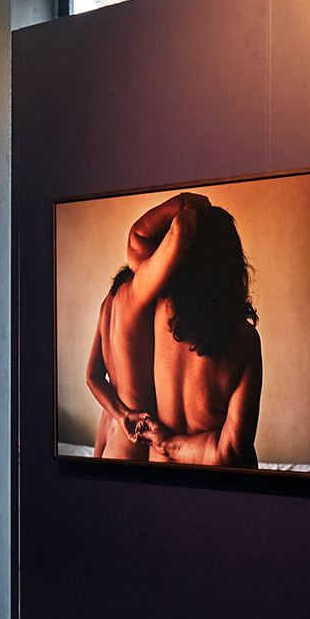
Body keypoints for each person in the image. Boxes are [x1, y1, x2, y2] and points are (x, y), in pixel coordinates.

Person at [138, 202, 262, 468]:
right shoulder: (244, 339)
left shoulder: (157, 306)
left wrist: (187, 202)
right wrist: (169, 443)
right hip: (221, 488)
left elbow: (139, 236)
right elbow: (229, 452)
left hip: (160, 477)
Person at [87, 192, 204, 459]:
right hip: (131, 447)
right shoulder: (139, 291)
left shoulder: (110, 299)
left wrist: (122, 413)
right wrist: (195, 205)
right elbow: (180, 232)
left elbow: (92, 376)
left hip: (107, 435)